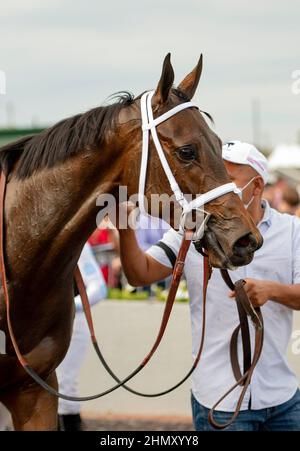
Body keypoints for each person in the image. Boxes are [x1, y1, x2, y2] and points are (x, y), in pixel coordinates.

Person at [116, 140, 300, 431]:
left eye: (230, 180)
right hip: (218, 399)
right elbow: (139, 275)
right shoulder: (192, 230)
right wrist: (125, 230)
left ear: (256, 186)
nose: (220, 187)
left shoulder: (291, 230)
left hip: (282, 397)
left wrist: (270, 291)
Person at [57, 242, 107, 431]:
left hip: (71, 322)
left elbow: (98, 288)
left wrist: (66, 307)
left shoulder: (77, 244)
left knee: (65, 384)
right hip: (31, 326)